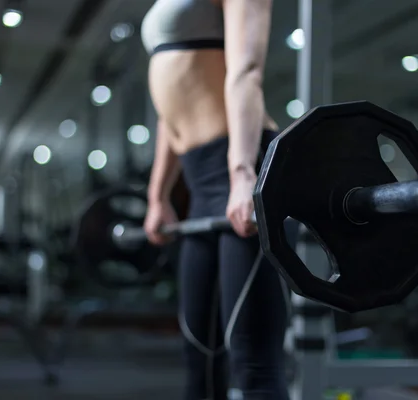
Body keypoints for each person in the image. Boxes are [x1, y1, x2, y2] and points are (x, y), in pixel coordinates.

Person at [141, 1, 298, 399]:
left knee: (253, 363)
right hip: (199, 182)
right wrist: (158, 193)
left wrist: (243, 175)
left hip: (242, 166)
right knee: (200, 355)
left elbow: (246, 72)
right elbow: (169, 106)